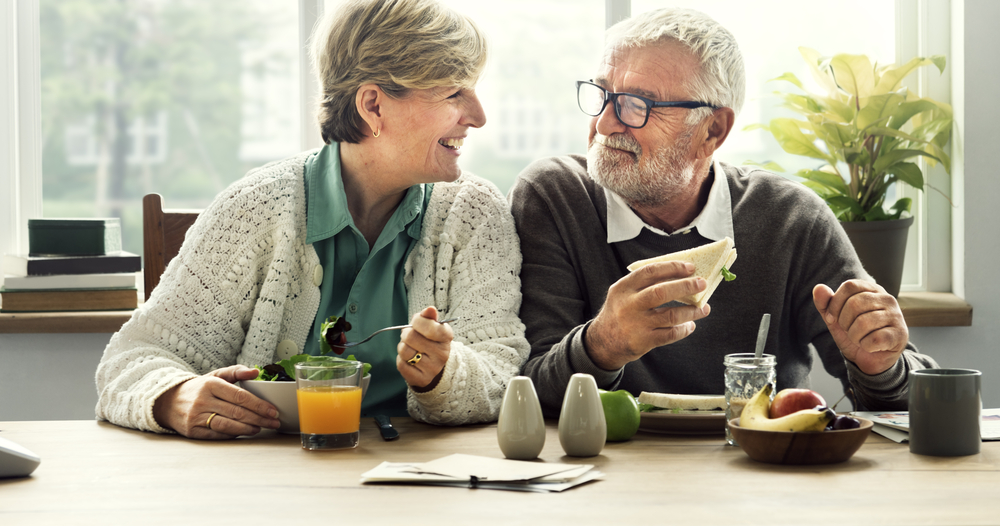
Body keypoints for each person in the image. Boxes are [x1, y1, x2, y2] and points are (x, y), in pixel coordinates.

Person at [96, 0, 529, 439]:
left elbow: (500, 367)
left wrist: (441, 373)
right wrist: (174, 396)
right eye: (455, 92)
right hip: (268, 481)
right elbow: (132, 360)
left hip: (423, 483)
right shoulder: (252, 209)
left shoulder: (473, 212)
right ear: (374, 105)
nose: (478, 116)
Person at [508, 7, 937, 417]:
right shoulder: (554, 197)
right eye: (602, 94)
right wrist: (604, 343)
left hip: (762, 470)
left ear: (712, 129)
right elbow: (528, 394)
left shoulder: (791, 218)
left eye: (637, 105)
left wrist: (881, 367)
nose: (603, 124)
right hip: (607, 472)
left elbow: (917, 405)